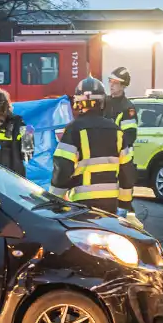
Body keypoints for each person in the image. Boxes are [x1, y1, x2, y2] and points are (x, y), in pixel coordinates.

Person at [50, 77, 136, 216]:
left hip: (82, 203)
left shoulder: (73, 129)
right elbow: (127, 170)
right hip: (110, 204)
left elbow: (62, 167)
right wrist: (124, 204)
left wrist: (55, 200)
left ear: (77, 103)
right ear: (103, 102)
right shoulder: (116, 131)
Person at [102, 67, 140, 224]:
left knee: (122, 200)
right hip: (105, 158)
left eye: (115, 83)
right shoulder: (104, 102)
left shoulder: (127, 108)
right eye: (110, 81)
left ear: (123, 86)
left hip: (120, 161)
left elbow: (129, 137)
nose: (111, 85)